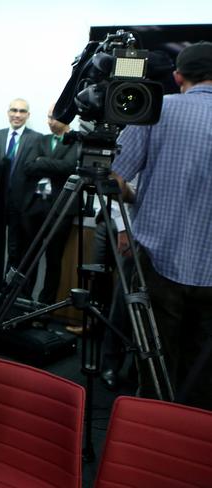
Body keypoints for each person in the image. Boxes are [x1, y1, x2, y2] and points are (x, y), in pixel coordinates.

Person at [112, 41, 212, 409]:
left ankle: (150, 438)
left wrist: (142, 194)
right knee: (203, 372)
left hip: (157, 260)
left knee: (155, 362)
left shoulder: (157, 109)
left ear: (177, 76)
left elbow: (115, 178)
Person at [22, 104, 78, 305]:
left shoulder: (75, 141)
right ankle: (24, 305)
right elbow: (29, 166)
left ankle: (45, 308)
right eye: (48, 117)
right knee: (29, 259)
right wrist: (51, 165)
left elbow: (69, 167)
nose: (49, 121)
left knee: (53, 261)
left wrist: (42, 161)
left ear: (67, 118)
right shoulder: (41, 139)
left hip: (60, 209)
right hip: (36, 206)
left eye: (54, 118)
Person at [0, 98, 42, 296]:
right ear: (8, 112)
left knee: (15, 251)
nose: (17, 115)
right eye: (14, 110)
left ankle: (8, 292)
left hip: (21, 206)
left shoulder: (37, 138)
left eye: (22, 111)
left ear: (28, 115)